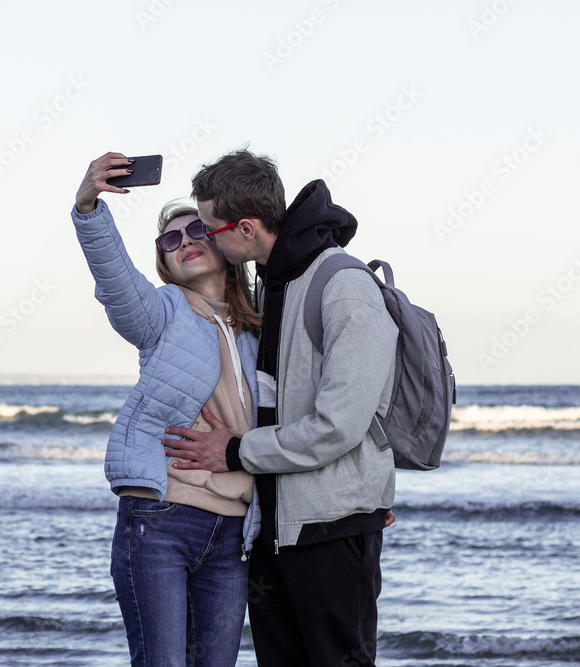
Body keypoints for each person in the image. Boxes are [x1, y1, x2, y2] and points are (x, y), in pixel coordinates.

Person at [162, 149, 399, 667]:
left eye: (208, 228)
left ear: (245, 229)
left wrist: (236, 451)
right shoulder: (276, 283)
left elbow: (338, 426)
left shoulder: (344, 287)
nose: (203, 239)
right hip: (276, 529)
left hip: (333, 528)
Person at [71, 152, 264, 667]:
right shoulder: (161, 314)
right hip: (160, 521)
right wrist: (89, 207)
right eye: (169, 240)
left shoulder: (261, 329)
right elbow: (116, 283)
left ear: (224, 242)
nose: (184, 243)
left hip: (232, 536)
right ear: (164, 262)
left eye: (196, 230)